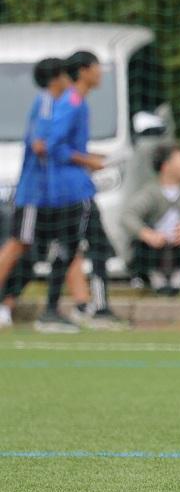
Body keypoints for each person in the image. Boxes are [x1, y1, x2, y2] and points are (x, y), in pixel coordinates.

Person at [0, 54, 104, 332]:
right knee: (18, 244)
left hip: (53, 193)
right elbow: (40, 145)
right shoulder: (47, 102)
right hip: (35, 192)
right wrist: (83, 160)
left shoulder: (61, 102)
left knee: (68, 245)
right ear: (57, 78)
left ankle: (82, 304)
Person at [121, 143, 180, 295]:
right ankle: (155, 277)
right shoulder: (150, 192)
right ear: (166, 166)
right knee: (141, 240)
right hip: (155, 250)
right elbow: (128, 215)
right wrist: (147, 234)